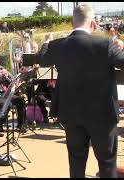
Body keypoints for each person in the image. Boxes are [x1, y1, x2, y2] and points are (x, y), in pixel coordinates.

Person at [37, 4, 124, 178]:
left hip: (71, 113)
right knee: (107, 163)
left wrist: (46, 42)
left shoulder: (57, 45)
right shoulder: (105, 43)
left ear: (72, 22)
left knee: (76, 161)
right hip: (102, 114)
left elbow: (42, 59)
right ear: (92, 24)